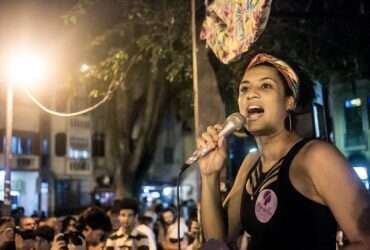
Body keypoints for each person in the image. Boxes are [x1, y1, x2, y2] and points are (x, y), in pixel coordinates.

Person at [198, 53, 370, 249]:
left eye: (265, 86)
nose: (250, 94)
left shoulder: (316, 156)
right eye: (244, 88)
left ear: (289, 102)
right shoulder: (250, 163)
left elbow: (365, 240)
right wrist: (209, 175)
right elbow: (218, 239)